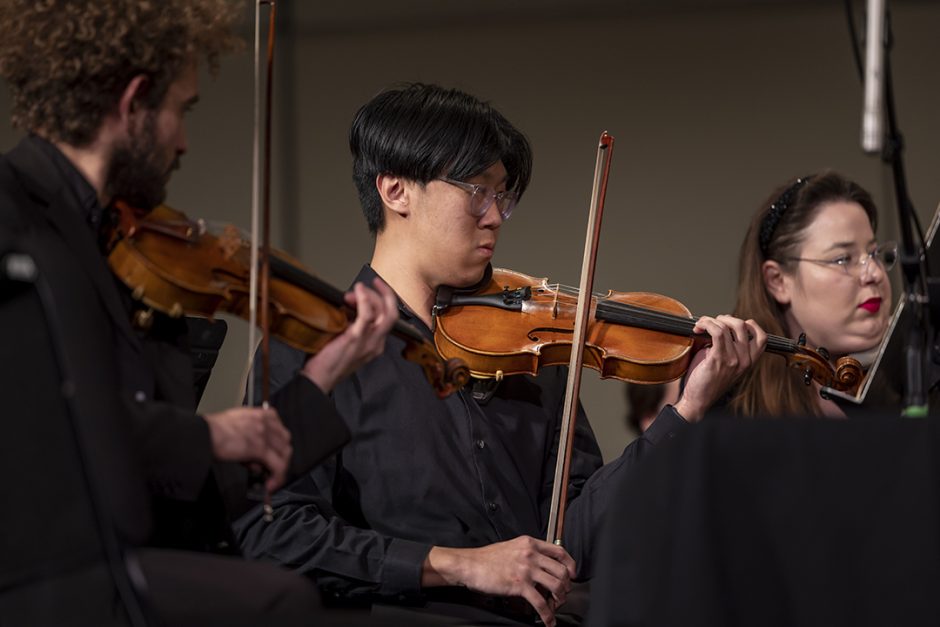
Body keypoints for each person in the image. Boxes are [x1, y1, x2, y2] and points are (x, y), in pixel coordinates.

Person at [235, 83, 767, 626]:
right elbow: (273, 530)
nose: (495, 216)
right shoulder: (313, 345)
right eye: (476, 191)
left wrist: (686, 413)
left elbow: (577, 542)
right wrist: (455, 565)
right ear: (396, 191)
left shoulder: (528, 345)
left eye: (503, 195)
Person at [0, 1, 398, 624]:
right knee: (280, 604)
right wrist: (207, 433)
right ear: (133, 102)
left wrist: (326, 374)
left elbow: (193, 494)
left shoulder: (123, 248)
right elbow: (40, 424)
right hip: (38, 570)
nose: (184, 141)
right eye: (181, 110)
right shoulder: (13, 219)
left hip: (124, 552)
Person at [729, 171, 895, 417]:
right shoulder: (735, 410)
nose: (874, 273)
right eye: (842, 259)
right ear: (778, 281)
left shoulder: (906, 387)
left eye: (872, 253)